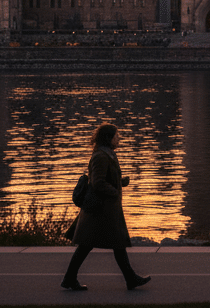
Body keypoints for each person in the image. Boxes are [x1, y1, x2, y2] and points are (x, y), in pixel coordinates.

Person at [62, 124, 151, 291]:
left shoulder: (108, 154)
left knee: (104, 244)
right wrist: (115, 191)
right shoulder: (100, 156)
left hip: (106, 209)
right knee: (102, 244)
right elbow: (98, 183)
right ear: (109, 137)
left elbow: (105, 179)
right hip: (101, 209)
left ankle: (70, 278)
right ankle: (130, 279)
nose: (119, 139)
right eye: (116, 136)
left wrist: (120, 182)